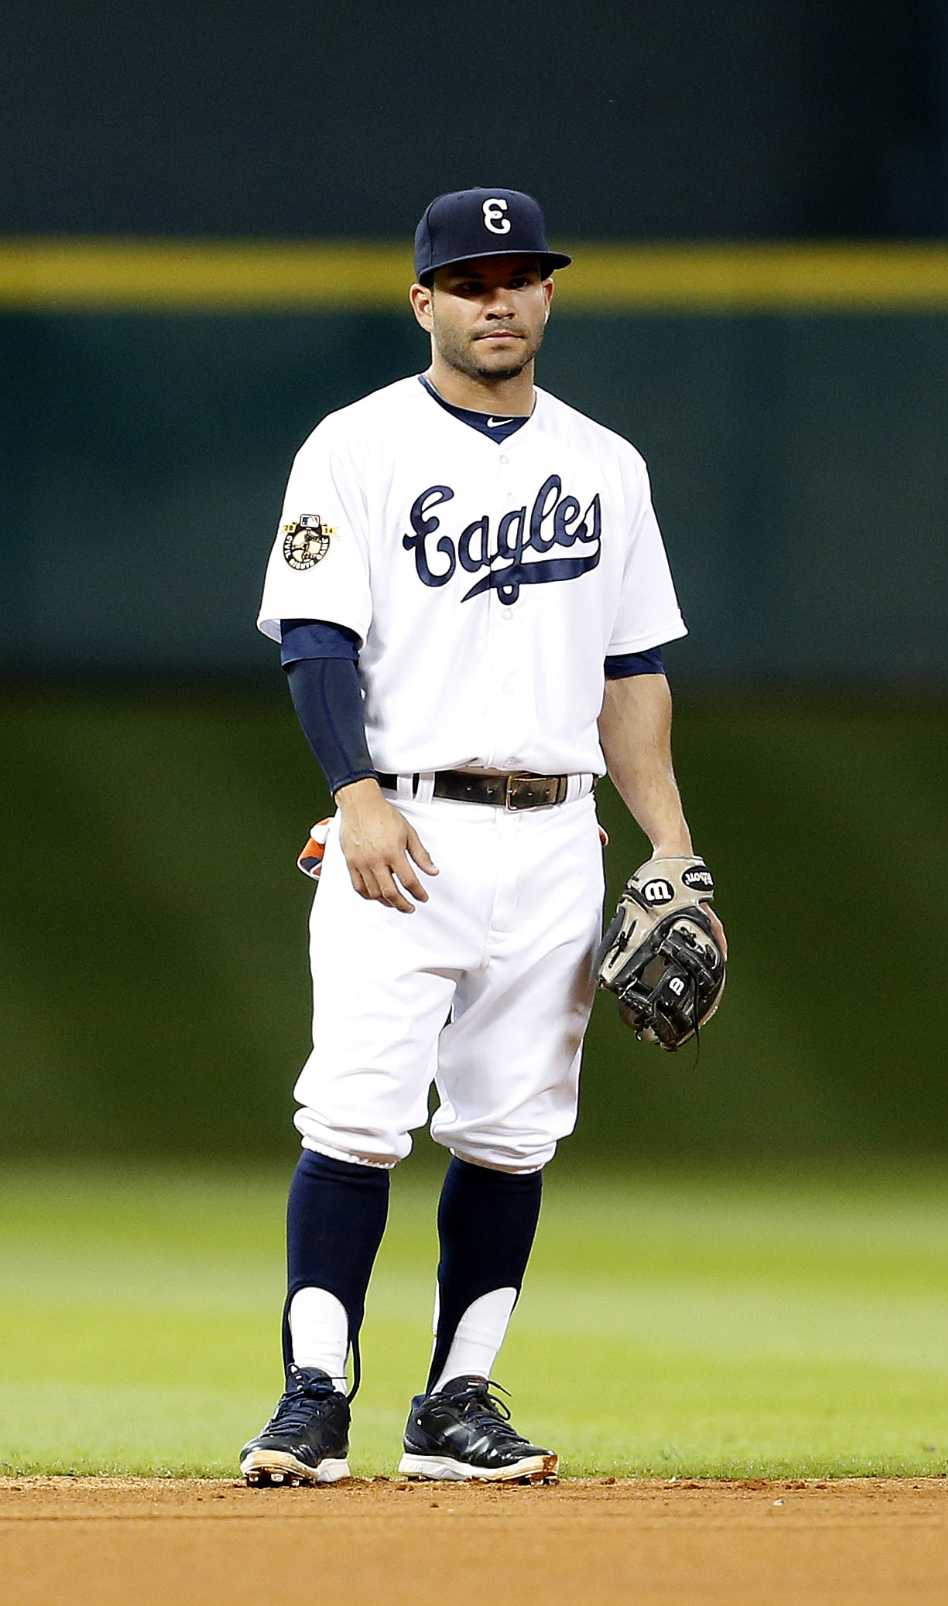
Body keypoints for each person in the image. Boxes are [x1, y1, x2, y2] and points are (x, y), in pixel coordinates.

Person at [238, 188, 723, 1484]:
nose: (497, 298)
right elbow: (315, 637)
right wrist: (352, 792)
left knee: (512, 1129)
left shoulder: (607, 468)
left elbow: (633, 675)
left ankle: (456, 1401)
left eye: (520, 275)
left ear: (550, 295)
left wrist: (671, 846)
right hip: (403, 824)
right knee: (355, 1113)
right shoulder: (357, 445)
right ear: (425, 304)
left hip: (558, 833)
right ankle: (313, 1394)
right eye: (470, 279)